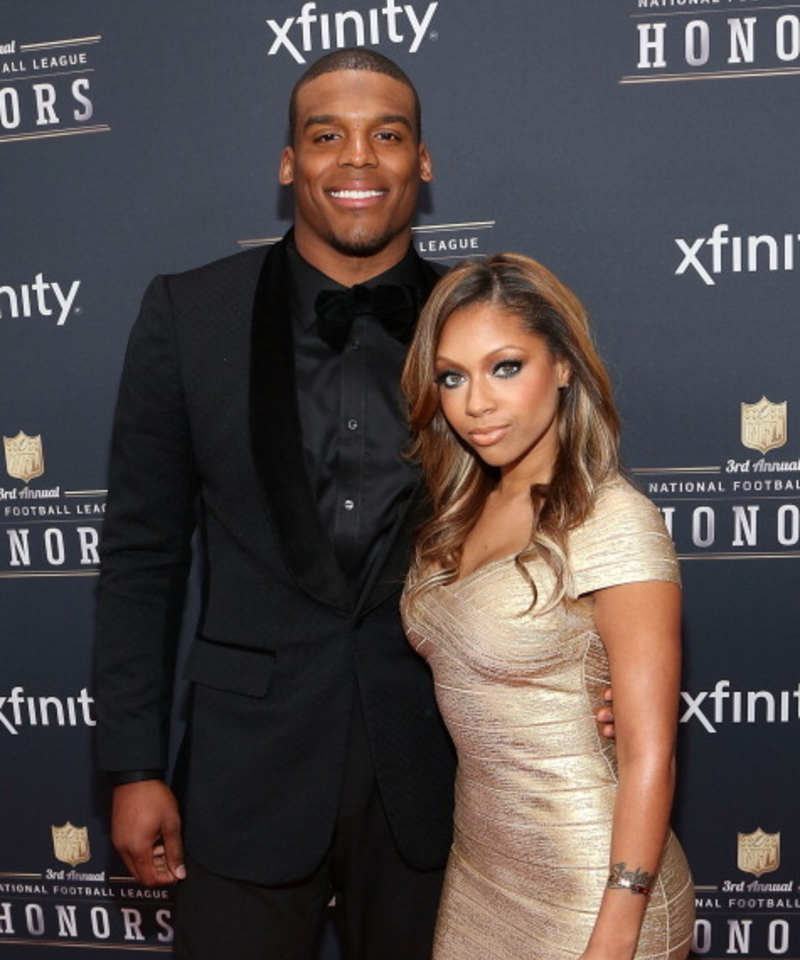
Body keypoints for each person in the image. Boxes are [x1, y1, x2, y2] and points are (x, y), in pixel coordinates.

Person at [95, 50, 615, 960]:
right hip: (243, 770)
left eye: (388, 134)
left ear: (424, 162)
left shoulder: (481, 329)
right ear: (289, 163)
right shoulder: (191, 314)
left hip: (441, 768)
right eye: (326, 135)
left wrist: (600, 677)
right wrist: (133, 766)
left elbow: (563, 515)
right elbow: (143, 557)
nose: (358, 159)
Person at [401, 253, 694, 960]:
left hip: (592, 886)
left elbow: (650, 752)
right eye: (452, 376)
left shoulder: (613, 520)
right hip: (481, 873)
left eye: (506, 366)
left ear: (563, 365)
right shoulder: (461, 509)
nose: (476, 402)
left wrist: (617, 930)